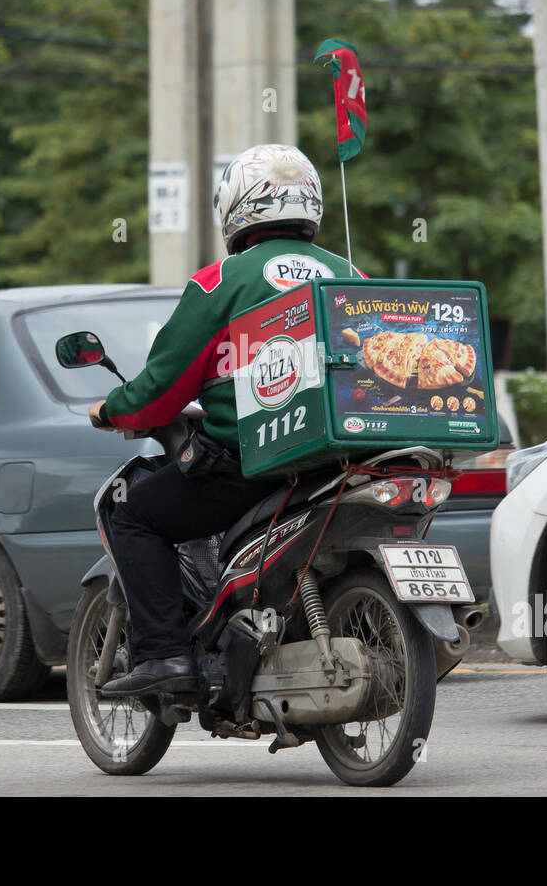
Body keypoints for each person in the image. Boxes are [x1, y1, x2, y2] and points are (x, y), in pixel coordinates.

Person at [89, 143, 362, 696]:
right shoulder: (350, 271)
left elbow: (160, 391)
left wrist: (112, 410)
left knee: (135, 516)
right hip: (342, 460)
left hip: (252, 464)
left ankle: (165, 656)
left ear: (237, 207)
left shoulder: (221, 281)